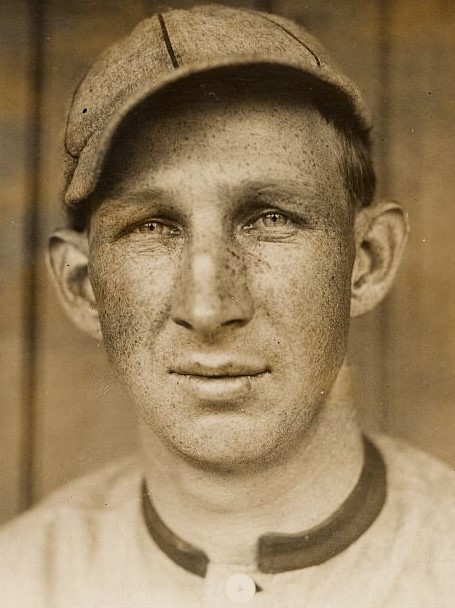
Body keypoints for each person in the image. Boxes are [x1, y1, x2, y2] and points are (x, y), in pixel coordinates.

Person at [0, 4, 454, 607]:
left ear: (367, 260)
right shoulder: (20, 579)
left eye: (270, 217)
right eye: (153, 226)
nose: (210, 307)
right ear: (84, 286)